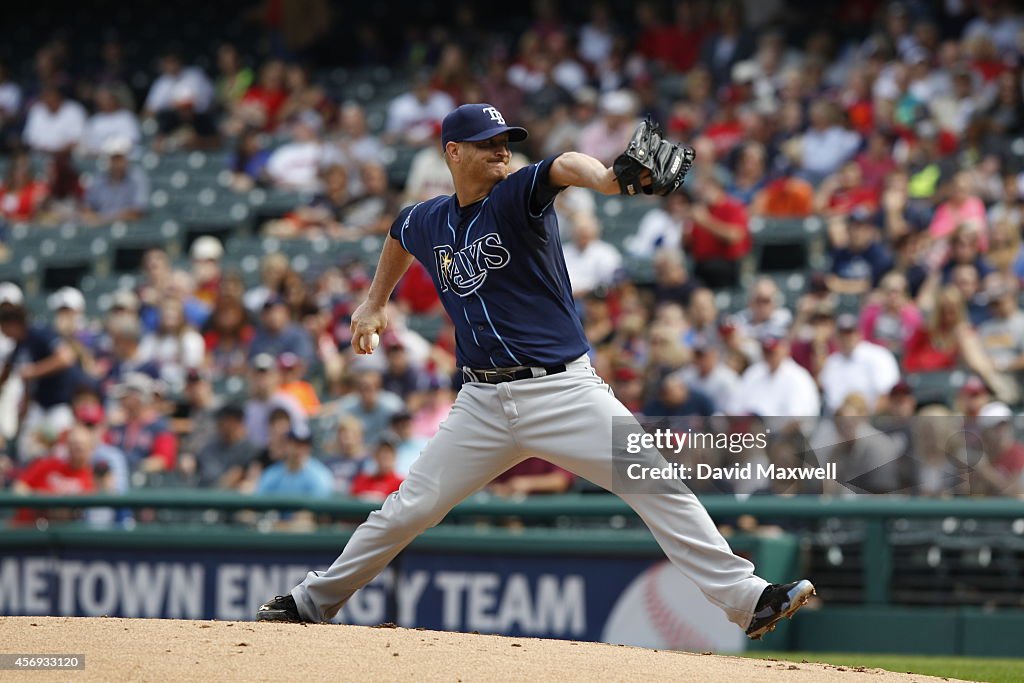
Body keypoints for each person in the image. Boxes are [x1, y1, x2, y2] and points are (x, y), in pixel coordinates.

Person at [257, 103, 813, 639]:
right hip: (482, 404)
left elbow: (566, 165)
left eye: (506, 142)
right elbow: (400, 234)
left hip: (563, 389)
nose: (503, 152)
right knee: (408, 510)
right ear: (453, 153)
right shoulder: (428, 218)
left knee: (656, 482)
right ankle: (312, 602)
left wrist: (608, 178)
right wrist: (376, 301)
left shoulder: (517, 195)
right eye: (489, 144)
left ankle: (748, 600)